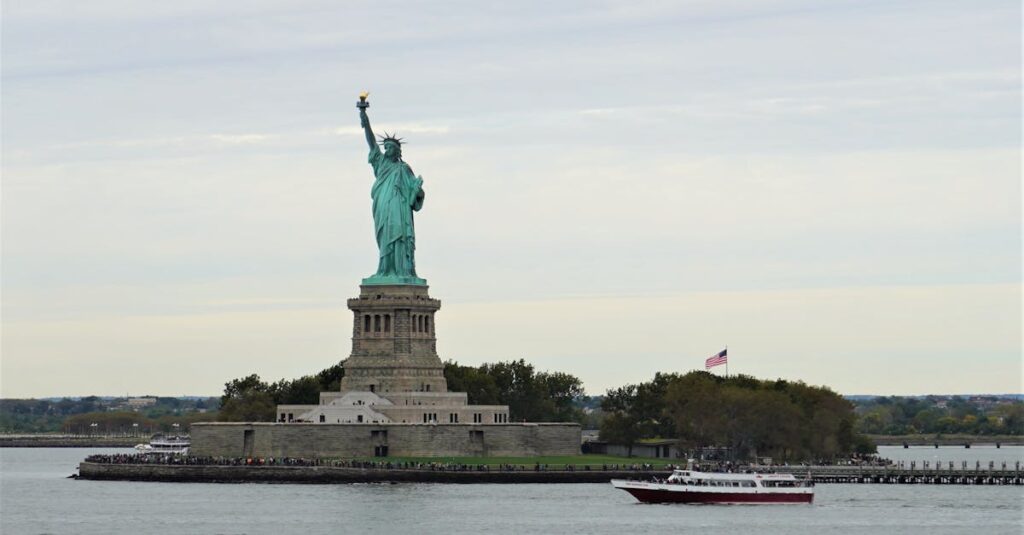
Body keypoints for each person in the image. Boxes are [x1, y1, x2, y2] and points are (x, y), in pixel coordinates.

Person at [358, 104, 426, 283]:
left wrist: (417, 190)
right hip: (382, 205)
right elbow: (372, 142)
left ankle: (402, 271)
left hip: (399, 208)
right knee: (385, 236)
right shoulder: (380, 164)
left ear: (397, 151)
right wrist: (365, 121)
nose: (387, 150)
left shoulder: (404, 169)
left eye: (390, 148)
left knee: (399, 237)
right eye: (386, 147)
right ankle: (385, 270)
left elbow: (415, 195)